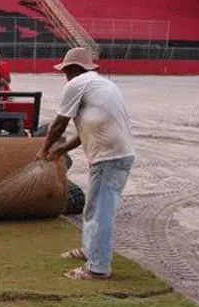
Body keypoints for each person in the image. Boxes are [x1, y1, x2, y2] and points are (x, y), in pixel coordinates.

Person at [36, 47, 136, 280]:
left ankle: (98, 268)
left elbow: (59, 124)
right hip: (117, 154)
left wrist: (42, 151)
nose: (65, 76)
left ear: (72, 69)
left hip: (109, 157)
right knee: (92, 207)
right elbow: (88, 129)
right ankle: (91, 251)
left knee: (101, 211)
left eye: (66, 71)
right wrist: (61, 149)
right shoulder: (102, 85)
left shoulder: (77, 84)